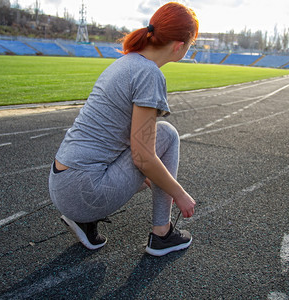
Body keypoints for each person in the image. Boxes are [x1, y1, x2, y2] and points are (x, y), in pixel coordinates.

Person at [49, 2, 199, 256]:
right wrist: (179, 193)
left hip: (61, 184)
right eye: (191, 44)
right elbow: (142, 157)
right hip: (84, 192)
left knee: (152, 152)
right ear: (179, 45)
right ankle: (162, 234)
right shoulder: (149, 74)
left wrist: (155, 178)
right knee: (168, 135)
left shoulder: (126, 62)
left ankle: (84, 220)